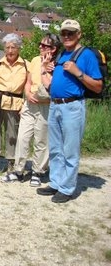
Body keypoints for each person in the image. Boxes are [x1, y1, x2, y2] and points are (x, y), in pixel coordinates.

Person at [37, 19, 102, 203]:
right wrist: (45, 70)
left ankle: (67, 188)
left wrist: (77, 72)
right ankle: (56, 183)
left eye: (70, 33)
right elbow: (52, 84)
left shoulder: (86, 55)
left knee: (70, 150)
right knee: (56, 148)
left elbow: (98, 86)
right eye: (64, 33)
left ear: (79, 34)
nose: (66, 36)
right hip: (55, 105)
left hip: (72, 107)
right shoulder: (62, 55)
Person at [2, 33, 61, 186]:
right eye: (40, 45)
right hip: (29, 105)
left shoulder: (58, 64)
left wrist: (45, 68)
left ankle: (38, 171)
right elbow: (28, 82)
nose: (40, 47)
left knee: (41, 141)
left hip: (46, 106)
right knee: (22, 138)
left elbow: (52, 88)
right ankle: (18, 171)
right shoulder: (35, 60)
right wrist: (27, 93)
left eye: (44, 45)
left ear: (53, 49)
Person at [0, 33, 28, 179]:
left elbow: (28, 88)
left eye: (13, 47)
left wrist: (24, 106)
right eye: (7, 47)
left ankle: (11, 161)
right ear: (4, 48)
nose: (10, 50)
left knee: (12, 134)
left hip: (15, 103)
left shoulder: (25, 66)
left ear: (19, 48)